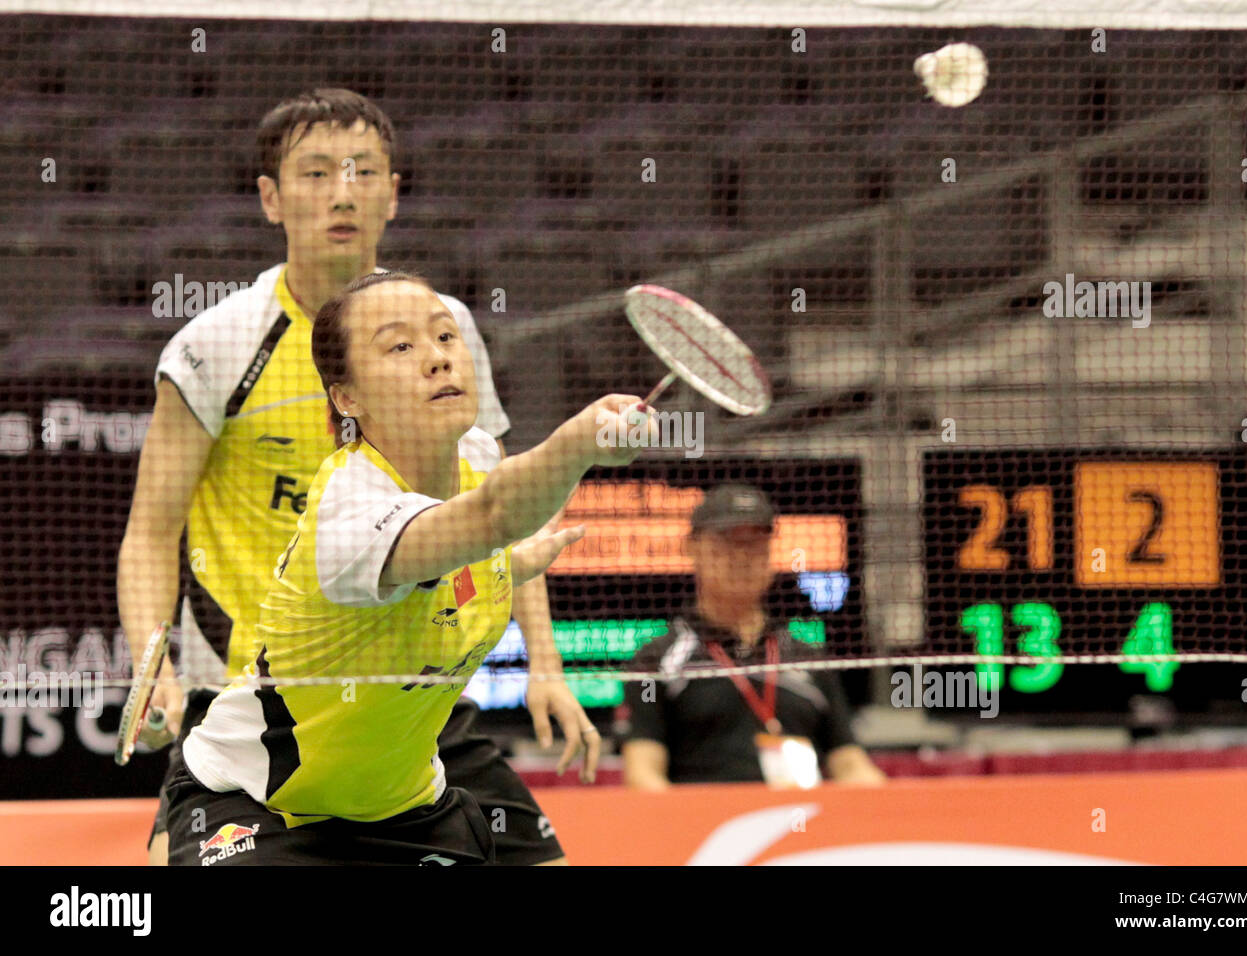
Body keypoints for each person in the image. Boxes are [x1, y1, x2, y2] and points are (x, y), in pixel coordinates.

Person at [118, 89, 595, 868]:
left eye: (364, 171)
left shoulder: (447, 327)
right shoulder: (218, 345)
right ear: (270, 197)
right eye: (314, 173)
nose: (342, 192)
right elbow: (149, 532)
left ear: (394, 193)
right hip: (259, 702)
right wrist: (153, 668)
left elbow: (495, 505)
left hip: (404, 695)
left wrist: (547, 665)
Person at [166, 271, 648, 864]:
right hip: (260, 804)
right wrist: (580, 442)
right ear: (347, 397)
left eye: (446, 338)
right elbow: (491, 517)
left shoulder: (474, 453)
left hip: (407, 809)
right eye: (400, 346)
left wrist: (512, 568)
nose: (438, 360)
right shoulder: (350, 511)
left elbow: (460, 558)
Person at [622, 484, 886, 789]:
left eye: (755, 543)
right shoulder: (655, 662)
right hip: (707, 831)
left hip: (803, 826)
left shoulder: (809, 660)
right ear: (692, 547)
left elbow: (851, 764)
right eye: (728, 542)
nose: (742, 556)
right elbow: (643, 773)